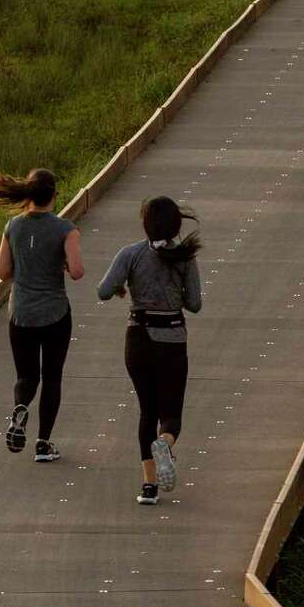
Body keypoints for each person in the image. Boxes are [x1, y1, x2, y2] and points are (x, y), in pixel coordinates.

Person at [97, 196, 202, 504]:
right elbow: (195, 303)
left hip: (138, 338)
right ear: (176, 225)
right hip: (171, 338)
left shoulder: (130, 254)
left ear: (145, 225)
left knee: (147, 410)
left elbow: (103, 290)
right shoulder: (184, 257)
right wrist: (173, 293)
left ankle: (149, 487)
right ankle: (165, 444)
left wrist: (122, 287)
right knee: (171, 414)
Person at [0, 167, 83, 462]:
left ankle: (20, 407)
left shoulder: (13, 226)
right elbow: (77, 272)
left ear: (28, 194)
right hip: (55, 314)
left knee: (26, 376)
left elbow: (3, 272)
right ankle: (43, 444)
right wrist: (60, 262)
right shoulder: (66, 229)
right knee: (52, 378)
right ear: (54, 196)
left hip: (20, 313)